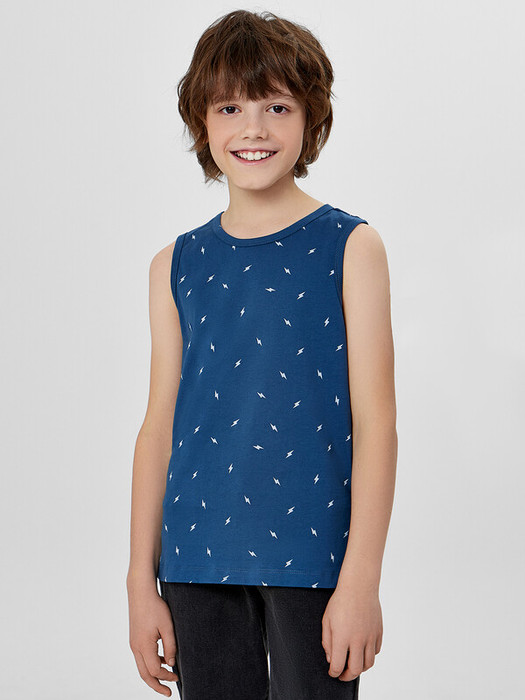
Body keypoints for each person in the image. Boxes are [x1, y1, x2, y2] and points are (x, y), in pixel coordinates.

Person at [126, 9, 397, 699]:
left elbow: (376, 422)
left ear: (310, 118)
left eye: (276, 106)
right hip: (194, 556)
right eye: (230, 108)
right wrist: (139, 581)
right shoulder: (174, 264)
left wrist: (361, 578)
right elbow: (159, 426)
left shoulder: (350, 247)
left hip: (312, 555)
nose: (253, 128)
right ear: (202, 122)